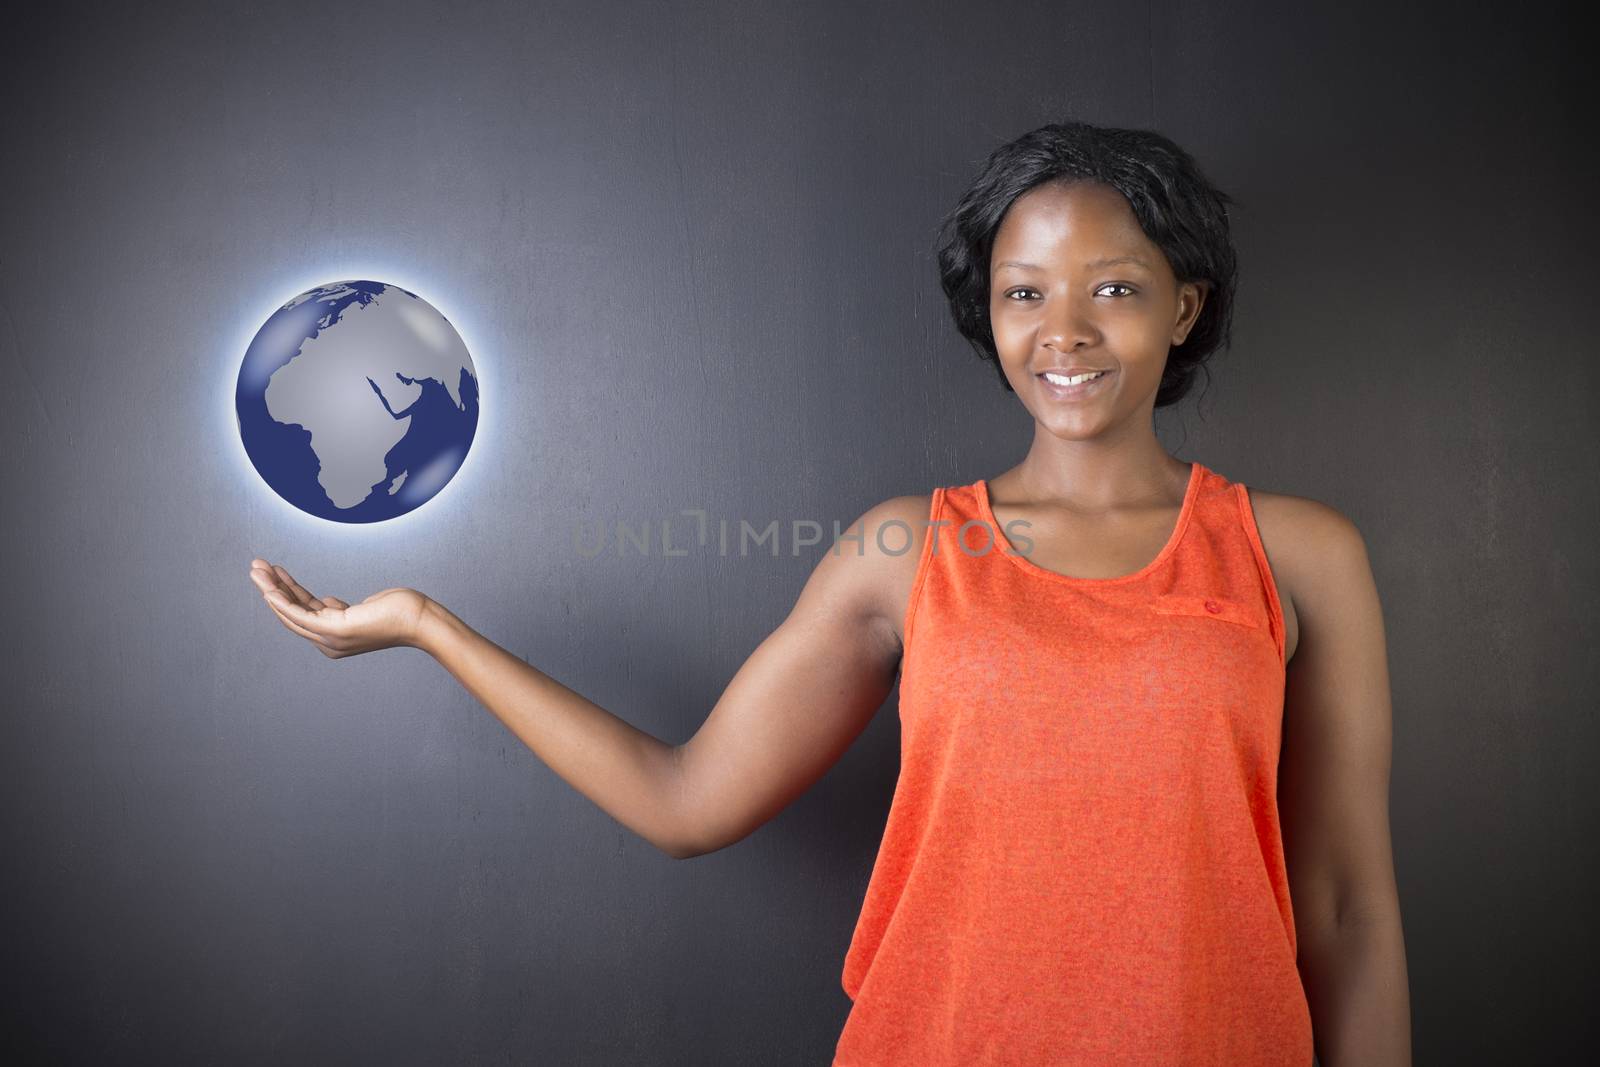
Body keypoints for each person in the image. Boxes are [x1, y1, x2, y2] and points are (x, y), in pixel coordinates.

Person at [249, 120, 1411, 1066]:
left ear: (1183, 307)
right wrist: (426, 626)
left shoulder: (1296, 553)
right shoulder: (902, 550)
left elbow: (1347, 909)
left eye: (1112, 288)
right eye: (1023, 293)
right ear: (990, 312)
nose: (1064, 331)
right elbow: (684, 799)